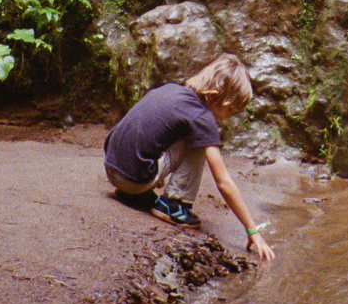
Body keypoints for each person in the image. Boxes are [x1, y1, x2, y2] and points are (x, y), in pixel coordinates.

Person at [103, 54, 276, 264]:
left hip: (112, 168)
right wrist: (252, 229)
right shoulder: (202, 117)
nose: (228, 117)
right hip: (133, 181)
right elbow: (223, 182)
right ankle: (173, 205)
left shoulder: (170, 90)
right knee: (202, 140)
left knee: (188, 131)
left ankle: (136, 190)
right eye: (229, 110)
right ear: (213, 96)